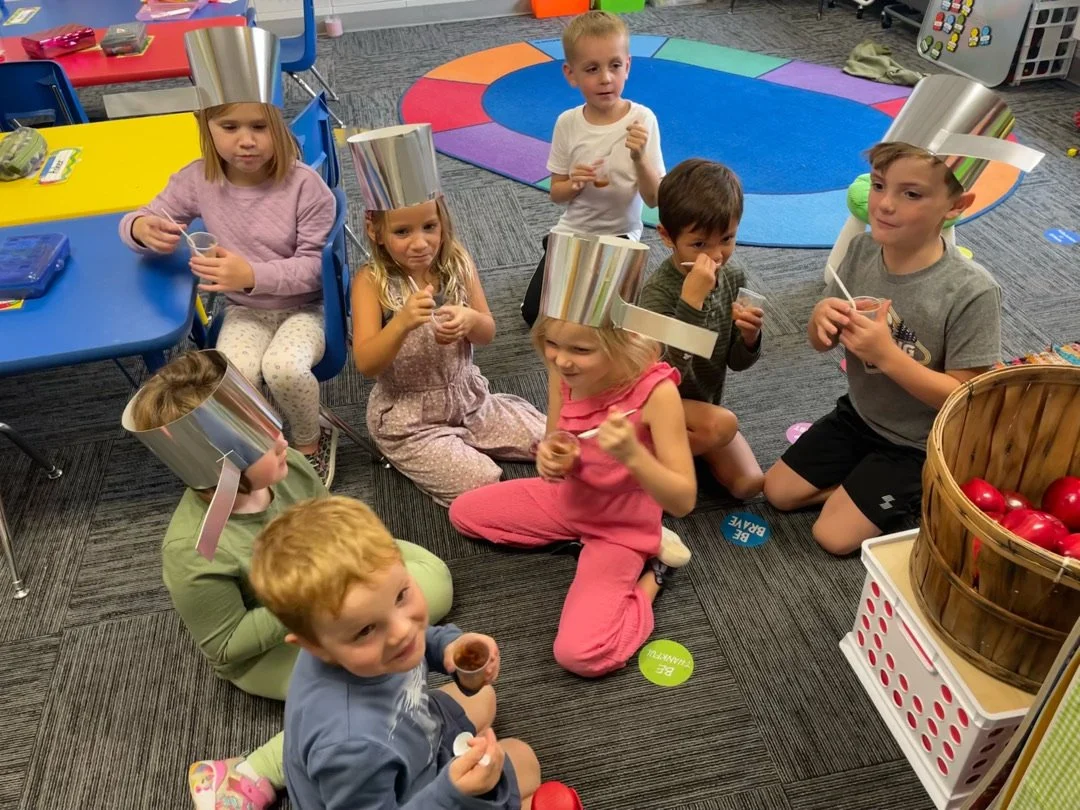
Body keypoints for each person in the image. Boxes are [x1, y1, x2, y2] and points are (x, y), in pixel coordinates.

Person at [126, 351, 454, 810]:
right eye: (263, 443)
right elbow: (224, 644)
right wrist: (308, 606)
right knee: (350, 691)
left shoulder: (289, 469)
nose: (283, 443)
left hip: (330, 600)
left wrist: (356, 570)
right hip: (273, 643)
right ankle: (251, 770)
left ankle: (370, 613)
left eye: (273, 427)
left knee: (430, 581)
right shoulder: (192, 553)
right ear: (224, 471)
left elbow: (326, 534)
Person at [763, 141, 1002, 555]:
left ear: (956, 205)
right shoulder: (862, 250)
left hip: (917, 442)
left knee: (832, 537)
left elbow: (966, 396)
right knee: (777, 492)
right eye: (878, 185)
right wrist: (821, 317)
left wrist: (887, 356)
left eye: (911, 193)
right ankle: (856, 493)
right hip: (859, 414)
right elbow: (821, 343)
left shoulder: (972, 291)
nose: (884, 205)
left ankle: (916, 489)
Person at [249, 496, 542, 809]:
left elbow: (417, 636)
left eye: (401, 595)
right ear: (314, 646)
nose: (403, 631)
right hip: (400, 788)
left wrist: (448, 647)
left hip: (409, 731)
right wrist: (451, 794)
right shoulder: (352, 748)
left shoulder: (337, 635)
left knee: (484, 697)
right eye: (366, 630)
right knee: (526, 764)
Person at [449, 318, 695, 678]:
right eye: (553, 344)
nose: (562, 361)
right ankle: (577, 541)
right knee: (463, 512)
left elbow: (684, 501)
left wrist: (634, 455)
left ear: (621, 343)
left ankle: (657, 570)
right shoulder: (562, 370)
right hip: (568, 500)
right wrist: (551, 456)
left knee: (580, 655)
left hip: (620, 528)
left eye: (580, 350)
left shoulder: (657, 394)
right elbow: (556, 436)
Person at [119, 100, 339, 485]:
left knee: (283, 368)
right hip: (245, 310)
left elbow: (315, 271)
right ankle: (266, 443)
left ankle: (310, 440)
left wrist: (251, 274)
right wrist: (141, 228)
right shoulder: (198, 178)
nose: (246, 141)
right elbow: (145, 215)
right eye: (230, 127)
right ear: (207, 127)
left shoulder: (305, 186)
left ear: (278, 126)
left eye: (259, 127)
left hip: (305, 307)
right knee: (232, 380)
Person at [352, 195, 545, 506]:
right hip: (411, 419)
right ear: (375, 231)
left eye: (429, 226)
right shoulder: (372, 281)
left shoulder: (457, 261)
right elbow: (366, 364)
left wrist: (470, 321)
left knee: (552, 439)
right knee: (482, 485)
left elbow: (488, 333)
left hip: (469, 399)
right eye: (402, 232)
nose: (420, 243)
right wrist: (400, 324)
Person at [520, 10, 664, 326]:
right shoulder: (567, 124)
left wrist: (640, 158)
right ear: (571, 74)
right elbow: (556, 195)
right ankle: (555, 248)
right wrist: (573, 183)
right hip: (574, 230)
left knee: (606, 321)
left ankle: (566, 259)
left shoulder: (644, 120)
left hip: (621, 235)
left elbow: (654, 199)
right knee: (535, 315)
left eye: (614, 65)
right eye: (592, 69)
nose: (605, 78)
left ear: (628, 66)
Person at [638, 159, 765, 500]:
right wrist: (690, 304)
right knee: (723, 427)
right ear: (666, 236)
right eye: (699, 245)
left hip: (702, 406)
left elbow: (736, 362)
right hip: (656, 408)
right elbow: (661, 376)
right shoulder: (657, 294)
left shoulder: (733, 278)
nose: (716, 255)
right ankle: (637, 459)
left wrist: (749, 338)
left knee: (749, 485)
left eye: (726, 238)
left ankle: (672, 457)